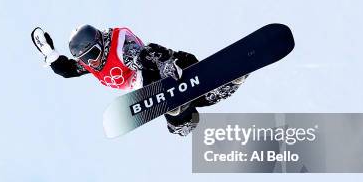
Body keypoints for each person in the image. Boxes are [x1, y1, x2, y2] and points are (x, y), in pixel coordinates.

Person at [31, 25, 246, 136]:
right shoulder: (92, 64)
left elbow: (143, 54)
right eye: (86, 59)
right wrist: (50, 55)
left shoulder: (119, 49)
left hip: (169, 68)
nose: (92, 62)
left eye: (94, 54)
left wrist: (165, 65)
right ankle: (227, 83)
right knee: (185, 122)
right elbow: (69, 70)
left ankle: (180, 103)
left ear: (100, 43)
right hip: (154, 84)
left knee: (185, 110)